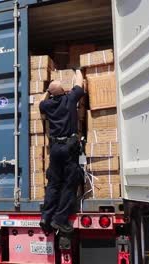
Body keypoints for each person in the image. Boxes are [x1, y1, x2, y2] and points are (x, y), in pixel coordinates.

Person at [39, 69, 85, 233]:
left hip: (55, 149)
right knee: (69, 183)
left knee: (53, 183)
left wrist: (47, 92)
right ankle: (60, 219)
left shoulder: (47, 105)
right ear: (64, 90)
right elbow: (79, 83)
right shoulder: (70, 98)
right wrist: (78, 70)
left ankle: (45, 216)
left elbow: (41, 102)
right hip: (69, 148)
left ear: (51, 94)